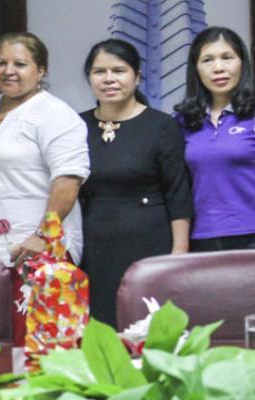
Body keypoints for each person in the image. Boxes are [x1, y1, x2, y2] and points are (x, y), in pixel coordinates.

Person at [79, 39, 193, 326]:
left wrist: (178, 254)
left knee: (148, 326)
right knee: (101, 326)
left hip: (149, 241)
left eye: (119, 70)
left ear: (137, 76)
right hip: (95, 244)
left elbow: (178, 192)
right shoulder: (75, 126)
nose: (109, 79)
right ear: (89, 77)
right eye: (99, 71)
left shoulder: (160, 125)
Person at [0, 32, 89, 267]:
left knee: (36, 306)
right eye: (1, 63)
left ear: (41, 71)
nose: (8, 71)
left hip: (37, 244)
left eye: (20, 64)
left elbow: (68, 180)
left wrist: (43, 234)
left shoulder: (55, 113)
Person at [174, 27, 255, 251]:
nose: (218, 68)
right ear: (196, 69)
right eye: (207, 60)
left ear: (242, 63)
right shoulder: (182, 121)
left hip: (250, 235)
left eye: (227, 58)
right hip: (201, 238)